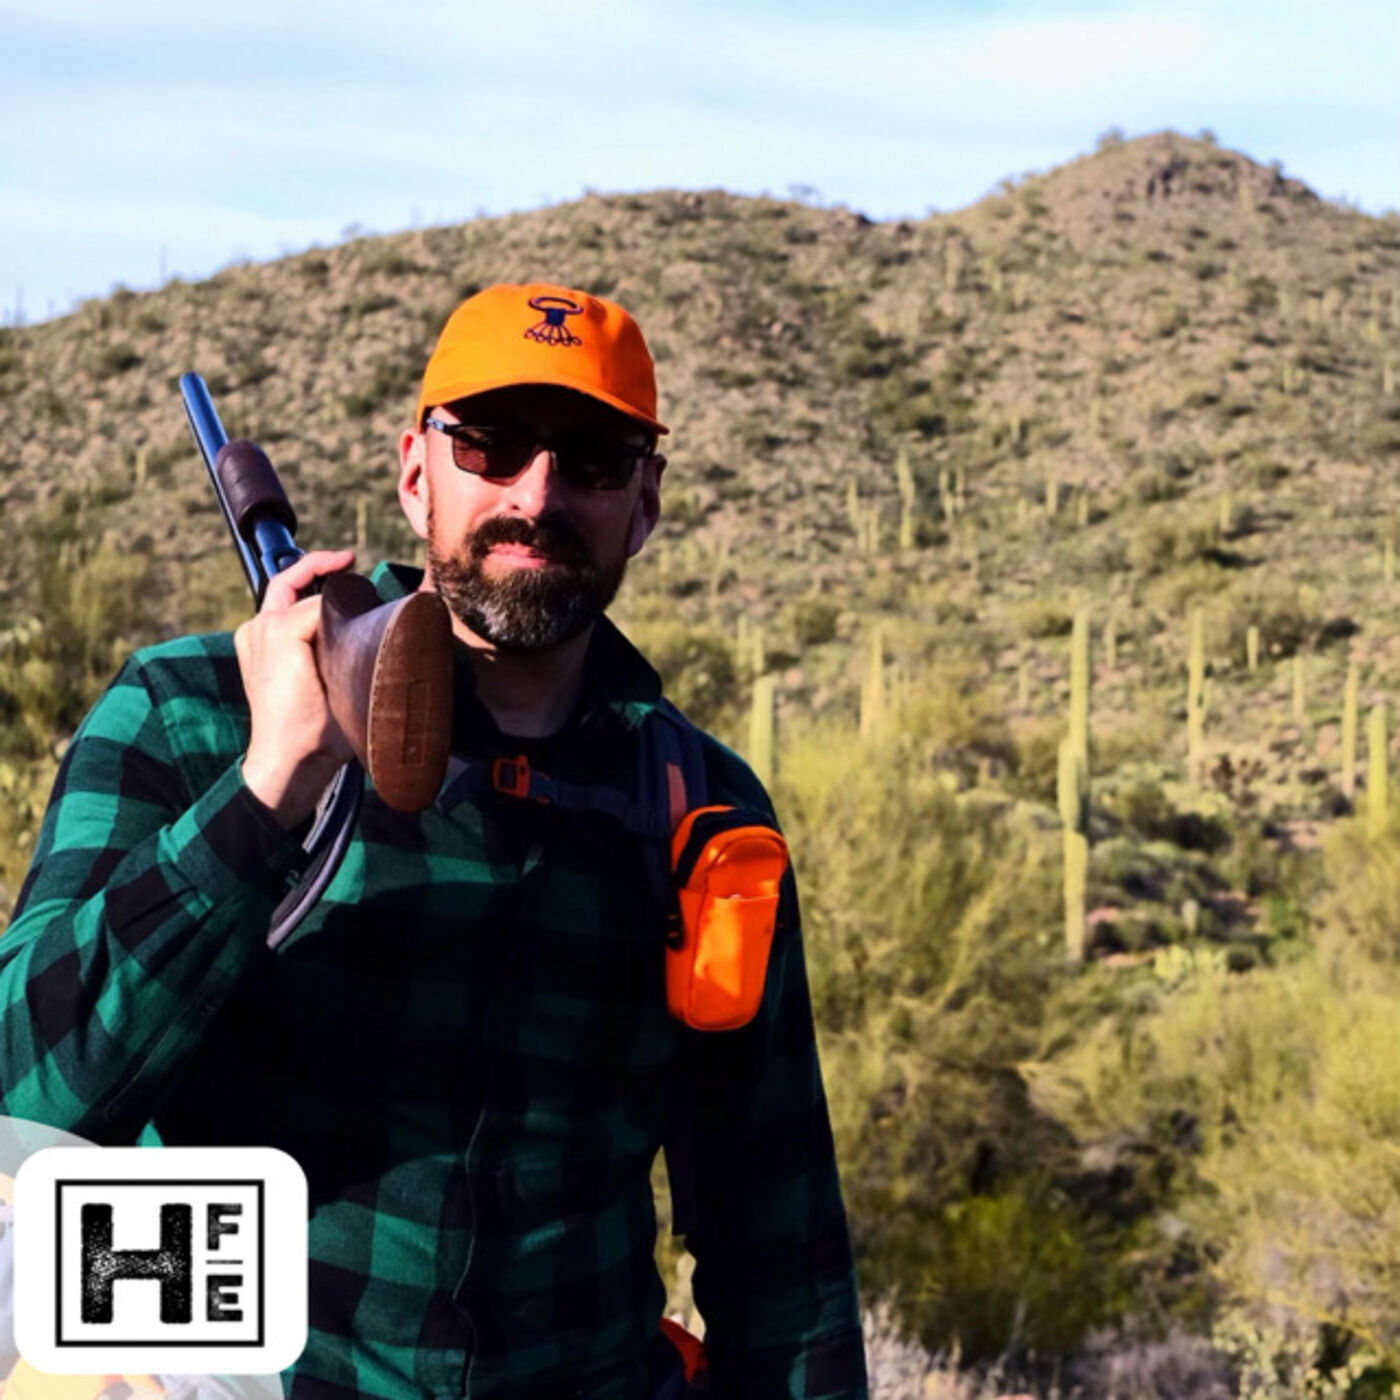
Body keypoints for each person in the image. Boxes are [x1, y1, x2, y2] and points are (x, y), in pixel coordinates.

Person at [0, 283, 867, 1399]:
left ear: (644, 503)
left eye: (592, 459)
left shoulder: (697, 808)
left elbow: (778, 1238)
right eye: (491, 445)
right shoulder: (189, 713)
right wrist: (266, 790)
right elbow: (28, 1096)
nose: (537, 494)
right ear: (417, 475)